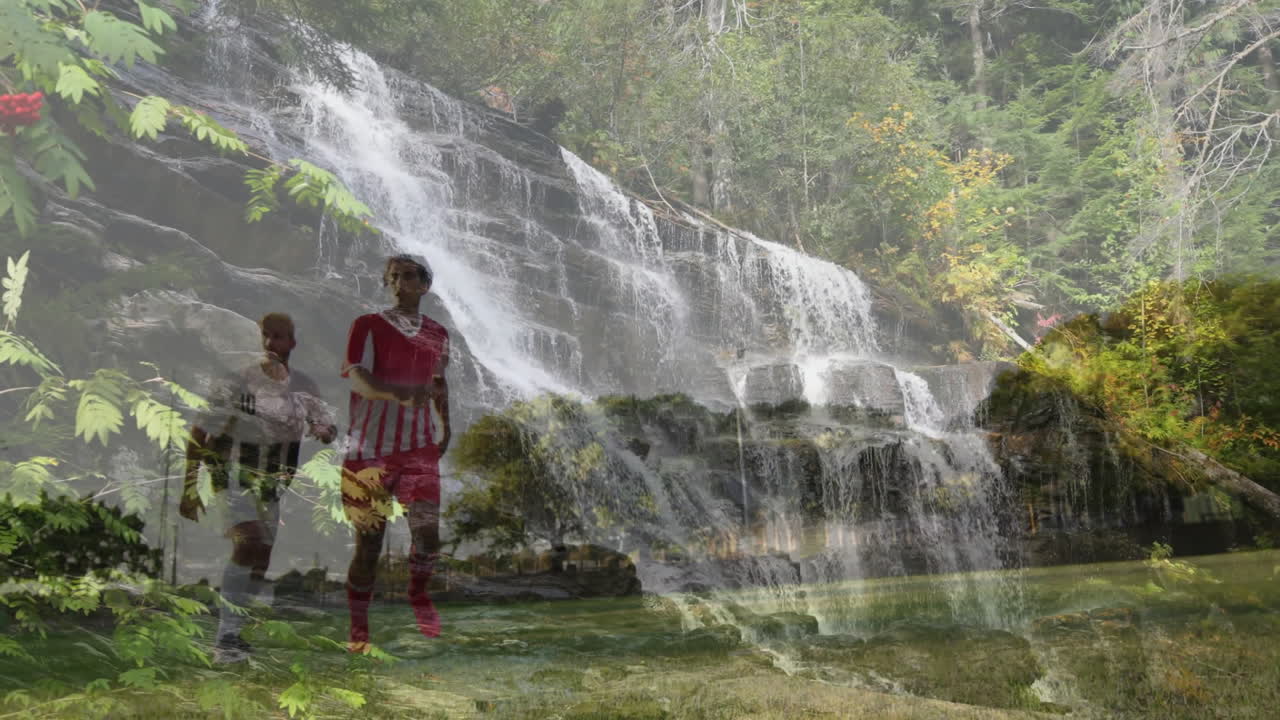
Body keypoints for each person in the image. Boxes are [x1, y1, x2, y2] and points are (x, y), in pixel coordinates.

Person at [181, 312, 336, 663]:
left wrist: (325, 431)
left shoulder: (304, 386)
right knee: (248, 541)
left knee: (261, 558)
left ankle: (235, 633)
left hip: (274, 482)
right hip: (232, 474)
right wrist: (190, 487)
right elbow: (200, 431)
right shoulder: (236, 381)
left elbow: (327, 426)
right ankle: (225, 640)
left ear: (292, 342)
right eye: (266, 335)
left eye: (278, 336)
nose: (270, 343)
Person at [340, 254, 451, 652]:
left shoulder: (438, 333)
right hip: (367, 451)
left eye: (407, 276)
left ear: (424, 285)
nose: (398, 283)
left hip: (418, 449)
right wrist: (396, 394)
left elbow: (438, 383)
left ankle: (418, 592)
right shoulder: (367, 325)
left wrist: (446, 425)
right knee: (369, 545)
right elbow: (357, 377)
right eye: (392, 277)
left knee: (428, 536)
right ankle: (358, 626)